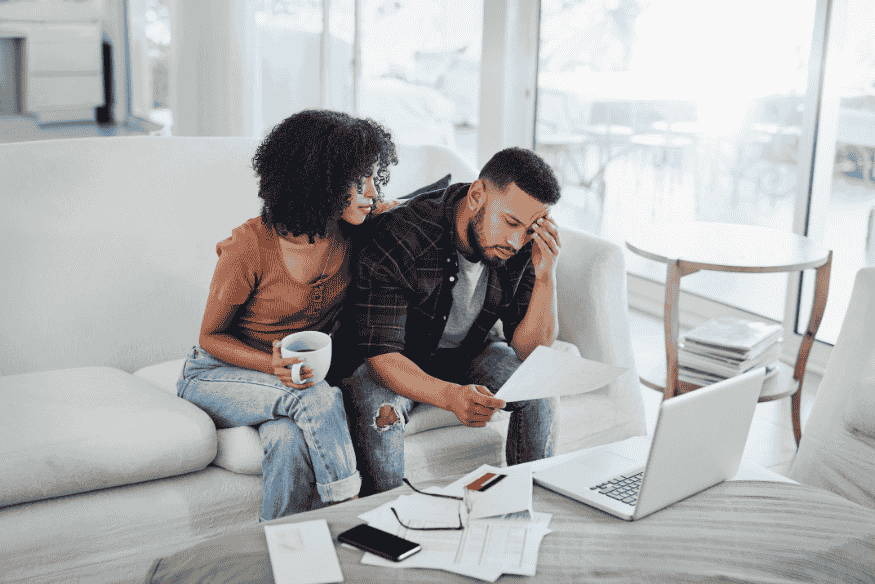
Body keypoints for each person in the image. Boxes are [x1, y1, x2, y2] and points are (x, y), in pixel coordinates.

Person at [176, 109, 398, 521]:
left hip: (288, 383)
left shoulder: (355, 232)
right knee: (313, 394)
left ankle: (281, 549)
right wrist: (271, 364)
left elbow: (431, 215)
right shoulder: (249, 246)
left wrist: (400, 213)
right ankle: (351, 512)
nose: (371, 191)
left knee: (287, 438)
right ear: (319, 180)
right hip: (216, 374)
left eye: (374, 177)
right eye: (357, 180)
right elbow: (210, 338)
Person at [342, 146, 562, 496]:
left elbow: (531, 350)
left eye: (529, 229)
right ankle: (385, 520)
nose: (516, 240)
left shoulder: (520, 245)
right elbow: (382, 355)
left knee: (539, 388)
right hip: (401, 358)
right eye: (511, 223)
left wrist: (546, 276)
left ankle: (526, 506)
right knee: (380, 412)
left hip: (472, 351)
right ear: (477, 196)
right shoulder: (402, 233)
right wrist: (450, 396)